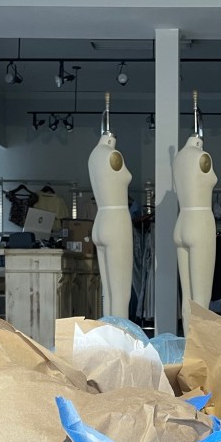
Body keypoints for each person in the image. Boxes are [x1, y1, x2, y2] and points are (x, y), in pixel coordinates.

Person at [87, 99, 133, 318]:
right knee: (121, 295)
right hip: (117, 222)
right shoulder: (112, 155)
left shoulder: (94, 154)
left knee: (107, 293)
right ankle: (120, 348)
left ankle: (108, 344)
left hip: (100, 221)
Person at [173, 117, 217, 334]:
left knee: (187, 296)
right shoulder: (202, 156)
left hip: (182, 222)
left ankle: (188, 348)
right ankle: (199, 353)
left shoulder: (179, 157)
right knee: (200, 298)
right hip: (200, 223)